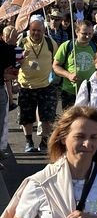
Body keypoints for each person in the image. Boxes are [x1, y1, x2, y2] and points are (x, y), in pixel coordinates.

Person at [17, 16, 58, 153]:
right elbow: (13, 62)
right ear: (29, 29)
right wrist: (21, 58)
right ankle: (29, 141)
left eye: (39, 30)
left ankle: (44, 141)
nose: (36, 33)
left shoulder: (50, 43)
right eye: (33, 30)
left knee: (47, 116)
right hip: (26, 86)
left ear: (44, 30)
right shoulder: (22, 42)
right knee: (26, 116)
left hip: (46, 85)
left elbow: (57, 60)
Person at [52, 20, 97, 111]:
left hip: (89, 91)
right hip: (70, 91)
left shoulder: (95, 48)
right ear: (77, 32)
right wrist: (68, 75)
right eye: (84, 33)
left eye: (90, 33)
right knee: (69, 121)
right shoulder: (67, 46)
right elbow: (55, 66)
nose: (88, 36)